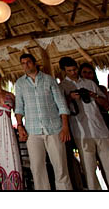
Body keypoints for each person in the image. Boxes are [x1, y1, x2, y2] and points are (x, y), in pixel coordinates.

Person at [59, 57, 109, 190]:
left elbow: (106, 105)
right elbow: (59, 108)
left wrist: (94, 95)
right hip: (81, 132)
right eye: (69, 70)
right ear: (64, 71)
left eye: (75, 69)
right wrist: (70, 97)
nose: (73, 72)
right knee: (89, 169)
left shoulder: (90, 83)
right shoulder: (62, 87)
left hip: (101, 130)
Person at [14, 53, 72, 190]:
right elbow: (19, 107)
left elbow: (62, 104)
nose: (25, 65)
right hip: (32, 132)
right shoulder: (20, 83)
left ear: (35, 63)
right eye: (23, 63)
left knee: (61, 167)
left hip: (54, 129)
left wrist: (65, 127)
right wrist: (20, 126)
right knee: (37, 168)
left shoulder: (49, 80)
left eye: (28, 62)